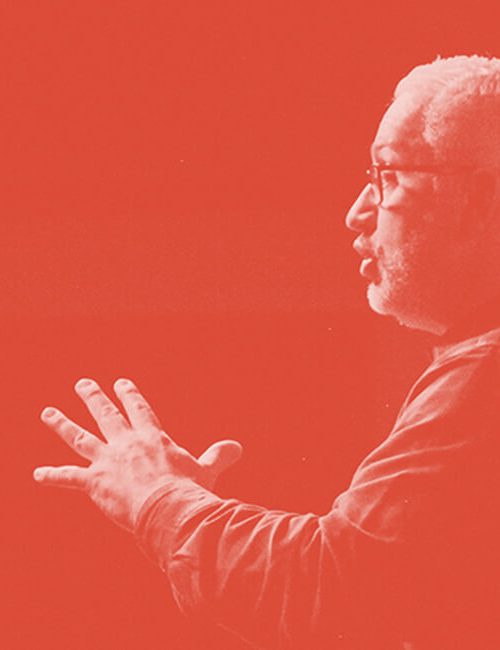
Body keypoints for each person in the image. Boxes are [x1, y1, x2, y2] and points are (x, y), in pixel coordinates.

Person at [34, 55, 500, 649]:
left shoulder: (486, 374)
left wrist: (159, 498)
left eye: (388, 176)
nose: (357, 213)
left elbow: (334, 582)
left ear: (480, 200)